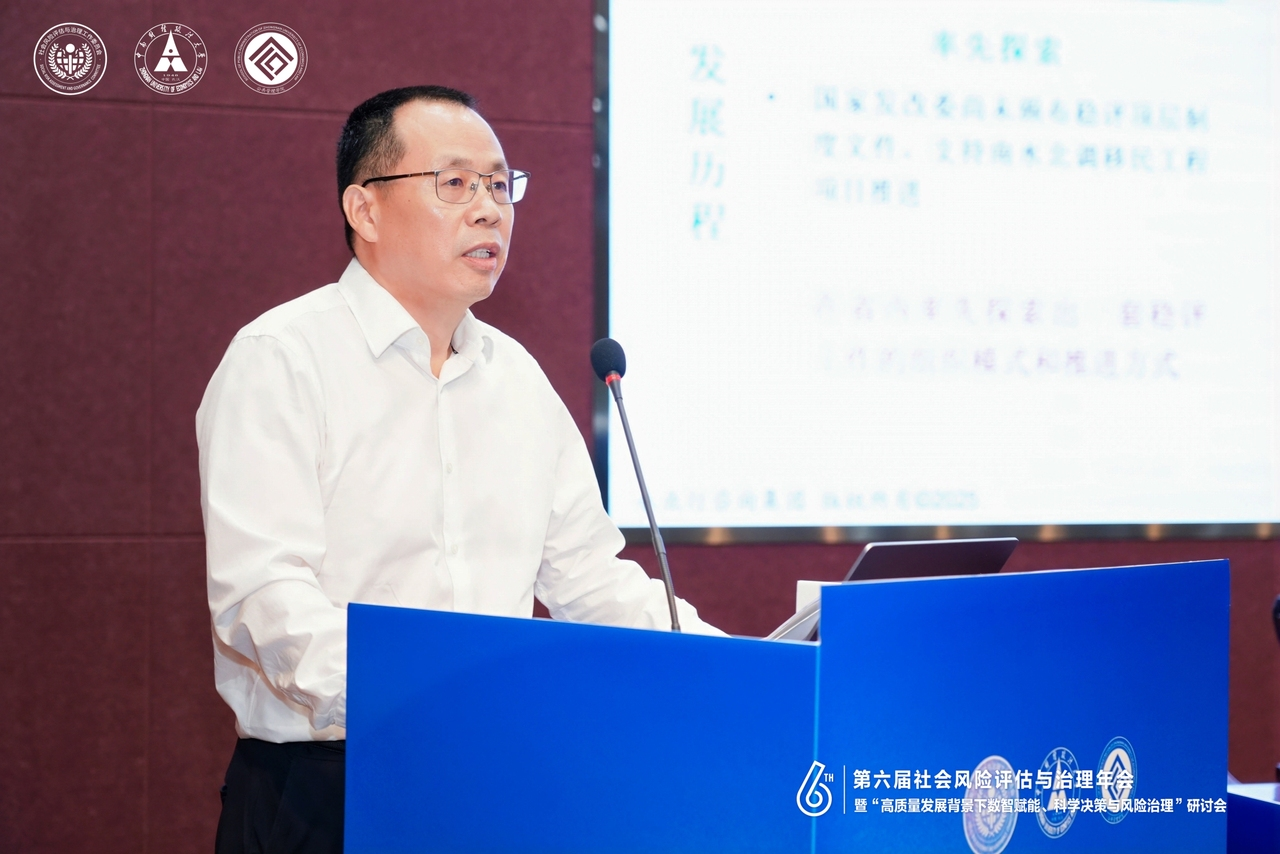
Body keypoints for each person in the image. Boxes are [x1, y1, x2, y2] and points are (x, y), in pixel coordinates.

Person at [197, 86, 723, 853]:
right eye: (455, 183)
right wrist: (433, 700)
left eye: (500, 186)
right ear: (365, 209)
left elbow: (589, 581)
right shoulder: (281, 360)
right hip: (328, 792)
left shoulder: (518, 380)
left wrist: (730, 667)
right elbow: (265, 599)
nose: (489, 211)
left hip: (490, 778)